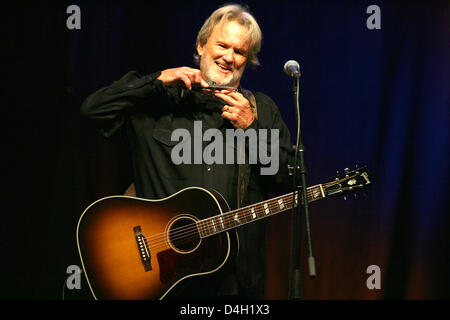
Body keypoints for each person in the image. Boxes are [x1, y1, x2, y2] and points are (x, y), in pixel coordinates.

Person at [81, 3, 294, 299]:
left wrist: (253, 130)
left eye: (240, 52)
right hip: (159, 281)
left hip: (232, 287)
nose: (229, 58)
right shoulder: (159, 102)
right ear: (201, 44)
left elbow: (287, 181)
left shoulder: (260, 111)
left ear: (248, 60)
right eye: (222, 45)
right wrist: (155, 81)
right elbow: (92, 110)